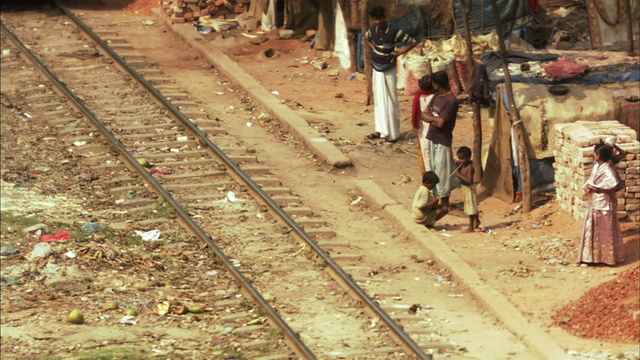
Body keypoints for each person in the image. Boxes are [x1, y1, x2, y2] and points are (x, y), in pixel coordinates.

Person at [364, 5, 417, 142]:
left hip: (389, 68)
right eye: (375, 20)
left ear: (384, 18)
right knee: (380, 98)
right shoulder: (373, 30)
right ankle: (380, 130)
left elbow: (412, 42)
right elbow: (366, 39)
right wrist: (374, 49)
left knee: (391, 98)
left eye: (379, 19)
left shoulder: (394, 30)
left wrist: (401, 51)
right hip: (377, 67)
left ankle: (393, 133)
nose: (377, 22)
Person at [577, 143, 625, 266]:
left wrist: (596, 188)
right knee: (592, 229)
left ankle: (607, 258)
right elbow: (592, 180)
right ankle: (591, 257)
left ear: (599, 155)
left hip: (604, 203)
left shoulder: (608, 170)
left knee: (605, 230)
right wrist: (589, 187)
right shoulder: (597, 167)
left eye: (595, 153)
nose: (593, 155)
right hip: (594, 202)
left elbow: (612, 187)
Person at [421, 70, 460, 209]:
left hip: (443, 140)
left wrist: (432, 119)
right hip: (432, 137)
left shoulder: (451, 101)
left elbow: (441, 123)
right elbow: (424, 114)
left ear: (437, 84)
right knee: (434, 169)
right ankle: (437, 199)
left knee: (442, 172)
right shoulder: (437, 96)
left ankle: (445, 203)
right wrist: (435, 119)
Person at [411, 75, 435, 174]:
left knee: (425, 150)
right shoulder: (435, 97)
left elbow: (415, 114)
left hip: (423, 127)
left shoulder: (417, 98)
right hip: (434, 125)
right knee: (434, 149)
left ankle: (428, 171)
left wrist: (415, 126)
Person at [454, 146, 480, 232]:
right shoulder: (462, 164)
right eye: (459, 158)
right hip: (464, 188)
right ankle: (477, 221)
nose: (460, 160)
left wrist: (458, 175)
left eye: (462, 159)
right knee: (473, 206)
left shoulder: (470, 167)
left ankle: (471, 227)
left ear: (468, 158)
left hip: (469, 189)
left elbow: (469, 180)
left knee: (470, 208)